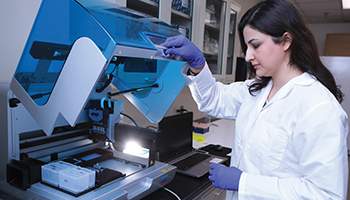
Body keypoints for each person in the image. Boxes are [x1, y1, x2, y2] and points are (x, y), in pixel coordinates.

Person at [160, 0, 349, 199]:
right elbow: (214, 100)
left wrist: (244, 182)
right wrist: (198, 65)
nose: (248, 56)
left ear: (285, 41)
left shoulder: (319, 108)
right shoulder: (257, 88)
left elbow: (327, 195)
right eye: (247, 46)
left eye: (256, 45)